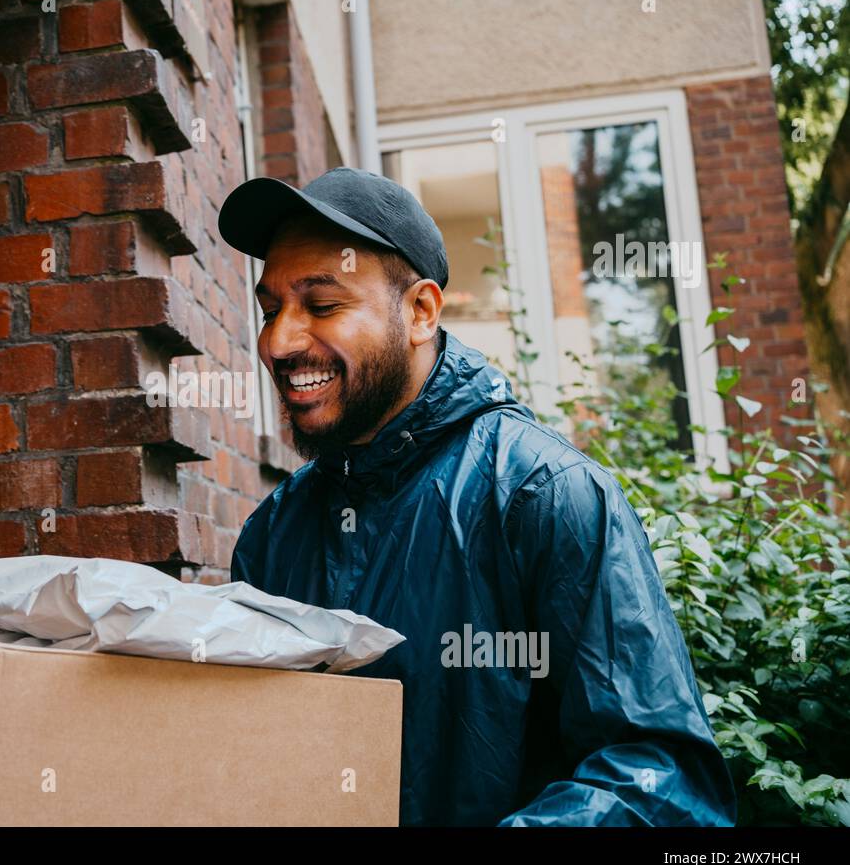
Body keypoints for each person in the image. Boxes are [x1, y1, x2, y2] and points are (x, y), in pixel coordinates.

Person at [219, 167, 737, 825]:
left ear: (421, 312)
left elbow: (659, 782)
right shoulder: (273, 533)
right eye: (270, 310)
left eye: (321, 305)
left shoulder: (544, 494)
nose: (279, 341)